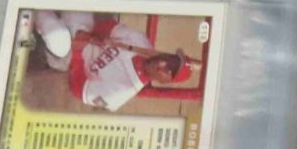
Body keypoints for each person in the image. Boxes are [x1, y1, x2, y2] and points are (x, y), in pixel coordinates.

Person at [31, 10, 195, 111]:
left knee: (57, 35)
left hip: (67, 57)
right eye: (170, 60)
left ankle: (34, 5)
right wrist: (92, 36)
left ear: (164, 81)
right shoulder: (141, 42)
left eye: (169, 71)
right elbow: (108, 25)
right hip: (83, 31)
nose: (162, 64)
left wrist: (77, 51)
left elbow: (78, 89)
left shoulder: (121, 92)